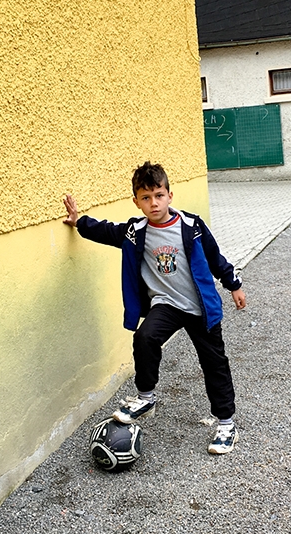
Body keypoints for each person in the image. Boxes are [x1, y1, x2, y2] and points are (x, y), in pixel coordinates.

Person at [62, 161, 246, 454]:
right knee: (145, 337)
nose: (153, 203)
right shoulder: (137, 232)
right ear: (136, 201)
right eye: (145, 198)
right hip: (166, 305)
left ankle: (226, 424)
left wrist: (233, 284)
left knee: (214, 363)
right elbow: (108, 232)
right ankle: (146, 397)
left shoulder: (191, 226)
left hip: (199, 306)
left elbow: (215, 257)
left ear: (170, 196)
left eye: (158, 195)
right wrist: (78, 221)